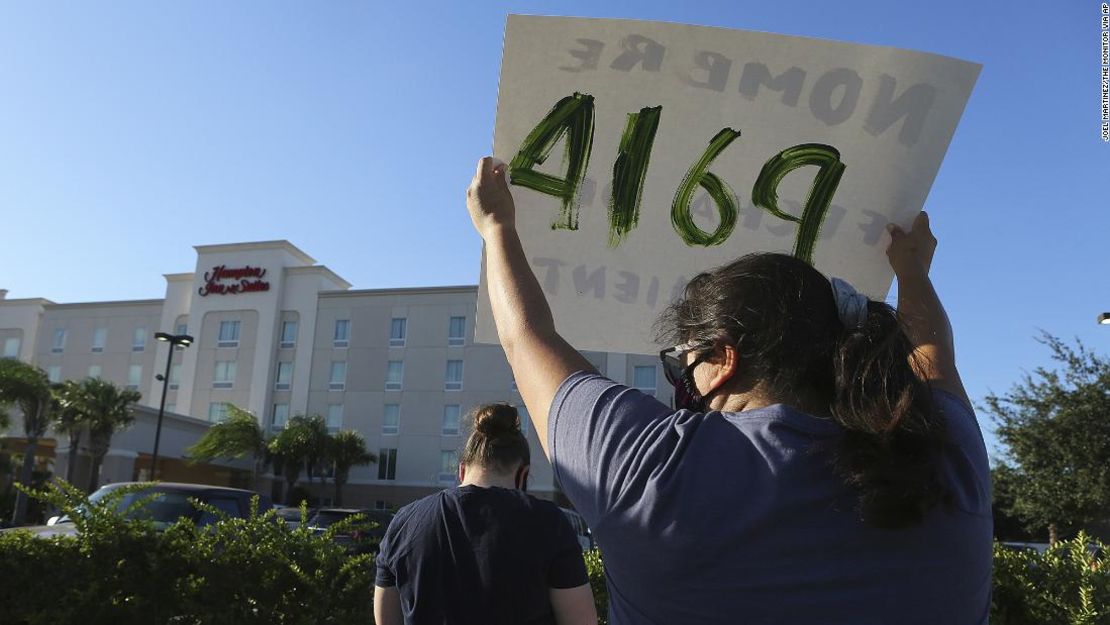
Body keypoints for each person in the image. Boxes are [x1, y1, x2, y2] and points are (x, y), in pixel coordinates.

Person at [467, 157, 991, 624]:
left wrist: (497, 230)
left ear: (722, 359)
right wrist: (913, 272)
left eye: (684, 362)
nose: (682, 380)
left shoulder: (644, 467)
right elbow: (933, 362)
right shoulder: (947, 458)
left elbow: (525, 337)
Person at [374, 403, 597, 625]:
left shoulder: (404, 522)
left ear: (461, 470)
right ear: (523, 475)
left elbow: (386, 619)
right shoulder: (549, 523)